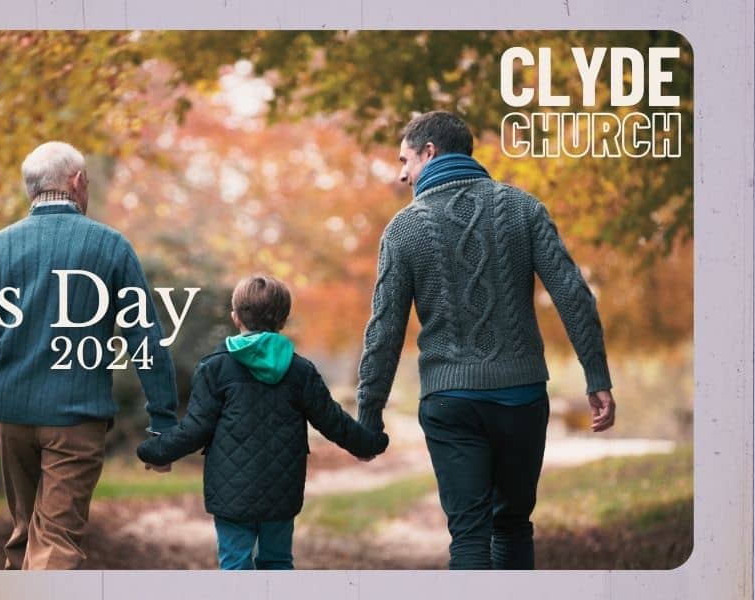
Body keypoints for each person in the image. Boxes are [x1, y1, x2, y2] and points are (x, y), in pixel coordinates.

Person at [355, 111, 617, 570]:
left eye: (405, 159)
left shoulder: (405, 227)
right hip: (521, 397)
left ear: (429, 152)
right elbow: (573, 294)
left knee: (469, 535)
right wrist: (595, 375)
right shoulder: (523, 208)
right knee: (513, 524)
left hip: (450, 401)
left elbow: (384, 330)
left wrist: (369, 414)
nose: (401, 173)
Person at [0, 141, 178, 570]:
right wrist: (162, 421)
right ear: (78, 182)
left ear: (31, 189)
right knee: (55, 542)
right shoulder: (110, 247)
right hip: (76, 417)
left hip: (9, 415)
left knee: (25, 536)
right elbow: (144, 335)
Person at [137, 274, 389, 570]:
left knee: (235, 562)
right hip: (281, 489)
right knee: (277, 562)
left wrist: (154, 451)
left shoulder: (216, 368)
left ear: (235, 317)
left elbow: (194, 429)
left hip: (231, 492)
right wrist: (367, 443)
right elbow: (332, 421)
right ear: (283, 320)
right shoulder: (300, 371)